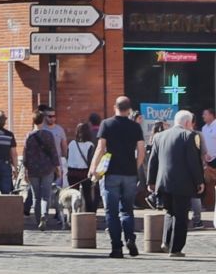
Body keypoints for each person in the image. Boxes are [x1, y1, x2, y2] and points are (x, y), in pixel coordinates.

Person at [88, 95, 145, 259]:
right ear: (129, 109)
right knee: (127, 210)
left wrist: (93, 168)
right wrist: (135, 167)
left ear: (115, 107)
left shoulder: (107, 124)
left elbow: (100, 148)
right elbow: (141, 150)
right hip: (129, 174)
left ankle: (117, 248)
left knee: (111, 212)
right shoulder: (135, 127)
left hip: (111, 173)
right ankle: (130, 238)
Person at [147, 109, 205, 258]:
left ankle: (166, 242)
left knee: (169, 212)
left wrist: (151, 181)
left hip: (163, 182)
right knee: (180, 216)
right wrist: (199, 181)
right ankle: (176, 249)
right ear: (187, 122)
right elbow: (193, 162)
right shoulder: (189, 135)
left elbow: (153, 161)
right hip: (182, 184)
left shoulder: (159, 136)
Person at [23, 110, 61, 231]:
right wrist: (58, 168)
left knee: (36, 197)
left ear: (33, 121)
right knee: (46, 195)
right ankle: (45, 215)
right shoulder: (48, 135)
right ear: (43, 121)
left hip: (33, 169)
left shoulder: (29, 136)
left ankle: (39, 219)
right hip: (47, 168)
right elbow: (54, 153)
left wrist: (25, 170)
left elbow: (25, 155)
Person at [40, 105, 67, 222]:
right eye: (50, 116)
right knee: (44, 190)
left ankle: (57, 212)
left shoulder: (59, 129)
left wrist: (64, 158)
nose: (52, 118)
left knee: (58, 189)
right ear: (44, 117)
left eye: (54, 116)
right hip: (45, 164)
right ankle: (43, 213)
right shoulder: (42, 129)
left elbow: (64, 145)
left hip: (57, 163)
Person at [67, 121, 97, 211]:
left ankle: (72, 215)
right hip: (84, 173)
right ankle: (89, 216)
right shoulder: (90, 145)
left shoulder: (71, 143)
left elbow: (68, 156)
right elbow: (90, 160)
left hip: (72, 172)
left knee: (72, 196)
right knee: (87, 196)